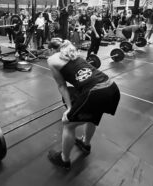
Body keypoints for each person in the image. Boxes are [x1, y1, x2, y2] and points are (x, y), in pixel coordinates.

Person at [47, 38, 120, 170]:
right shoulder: (72, 51)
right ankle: (85, 144)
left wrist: (69, 109)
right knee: (92, 117)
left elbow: (62, 86)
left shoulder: (52, 59)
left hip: (95, 91)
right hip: (111, 87)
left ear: (51, 49)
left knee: (68, 124)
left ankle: (64, 159)